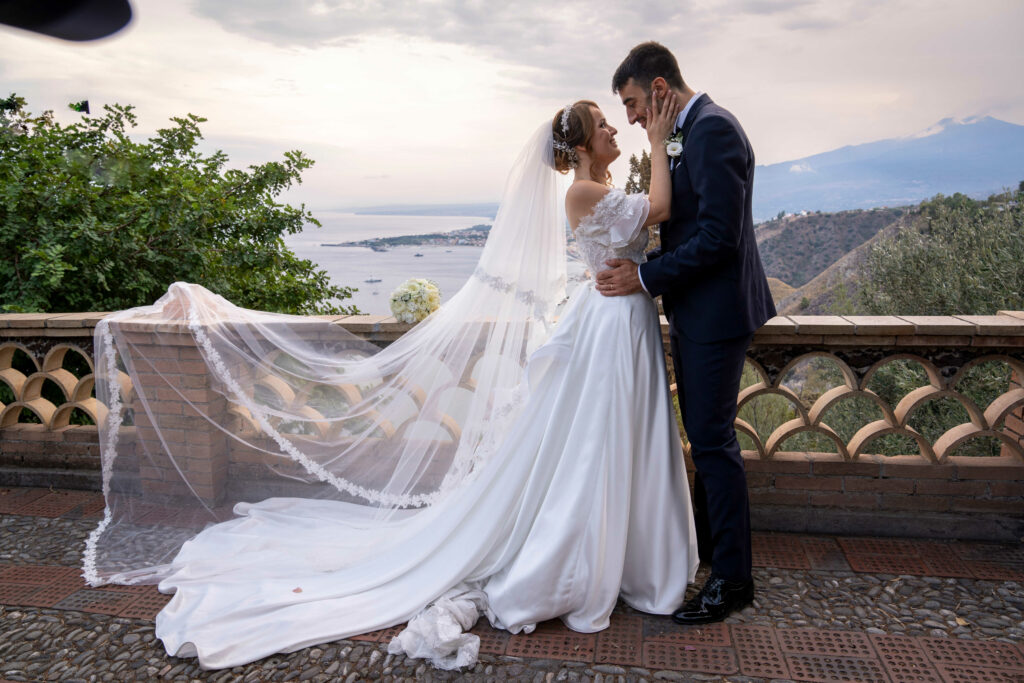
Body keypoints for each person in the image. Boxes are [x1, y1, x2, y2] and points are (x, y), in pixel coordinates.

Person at [83, 95, 696, 670]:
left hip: (623, 314)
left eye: (617, 122)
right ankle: (586, 553)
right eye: (605, 125)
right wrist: (664, 137)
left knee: (616, 434)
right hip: (611, 322)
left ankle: (627, 551)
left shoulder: (604, 186)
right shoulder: (584, 191)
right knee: (601, 437)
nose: (617, 129)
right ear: (583, 147)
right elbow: (661, 208)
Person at [597, 41, 777, 625]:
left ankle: (732, 580)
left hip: (717, 314)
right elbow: (683, 219)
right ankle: (704, 554)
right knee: (704, 438)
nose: (629, 117)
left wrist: (645, 275)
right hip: (697, 310)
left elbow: (719, 238)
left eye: (630, 102)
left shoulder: (714, 130)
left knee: (713, 442)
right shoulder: (686, 130)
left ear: (658, 89)